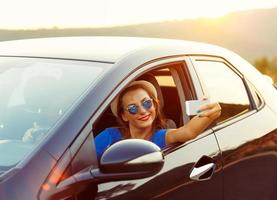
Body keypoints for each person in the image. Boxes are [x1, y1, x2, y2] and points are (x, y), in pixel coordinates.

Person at [95, 80, 221, 159]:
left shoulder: (162, 136)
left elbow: (188, 131)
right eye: (133, 108)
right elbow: (81, 164)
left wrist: (212, 112)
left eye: (147, 103)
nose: (143, 111)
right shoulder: (109, 136)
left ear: (155, 105)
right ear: (124, 116)